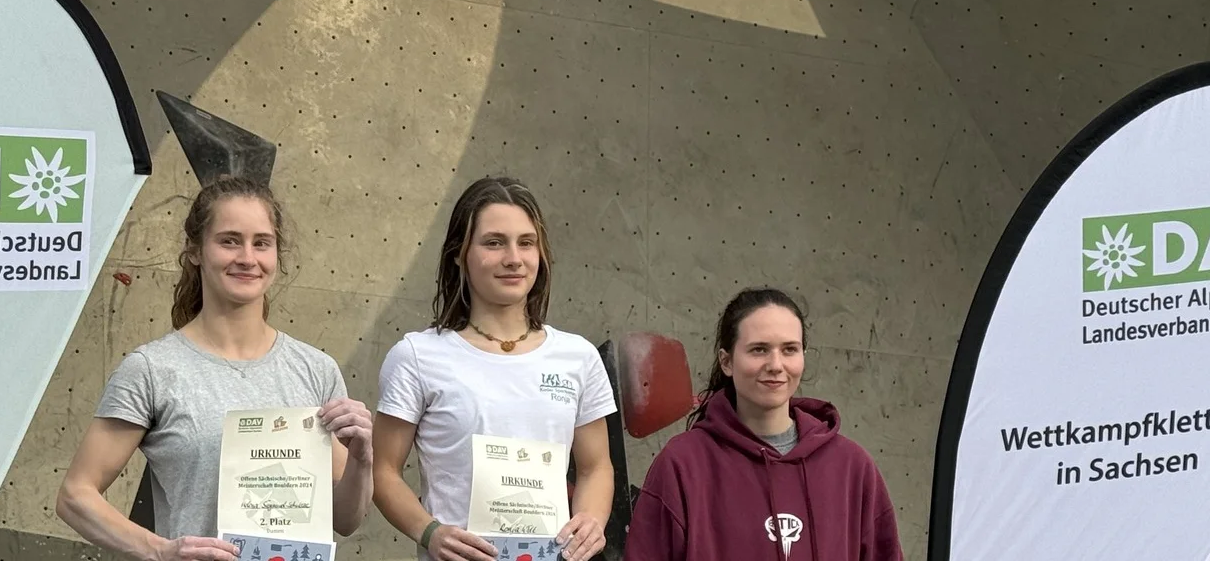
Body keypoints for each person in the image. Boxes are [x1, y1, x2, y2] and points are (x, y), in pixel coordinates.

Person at [56, 176, 376, 561]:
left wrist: (362, 459)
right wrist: (160, 550)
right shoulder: (153, 370)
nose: (247, 257)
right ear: (195, 251)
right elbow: (75, 495)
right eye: (229, 240)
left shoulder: (316, 370)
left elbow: (345, 518)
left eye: (261, 242)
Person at [370, 176, 618, 561]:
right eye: (494, 242)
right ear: (458, 253)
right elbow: (383, 470)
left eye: (526, 242)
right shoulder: (417, 356)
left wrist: (590, 521)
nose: (514, 258)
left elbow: (595, 467)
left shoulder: (578, 357)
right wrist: (430, 532)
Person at [624, 287, 901, 561]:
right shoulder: (682, 464)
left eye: (790, 349)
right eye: (759, 350)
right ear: (727, 362)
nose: (776, 365)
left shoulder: (852, 467)